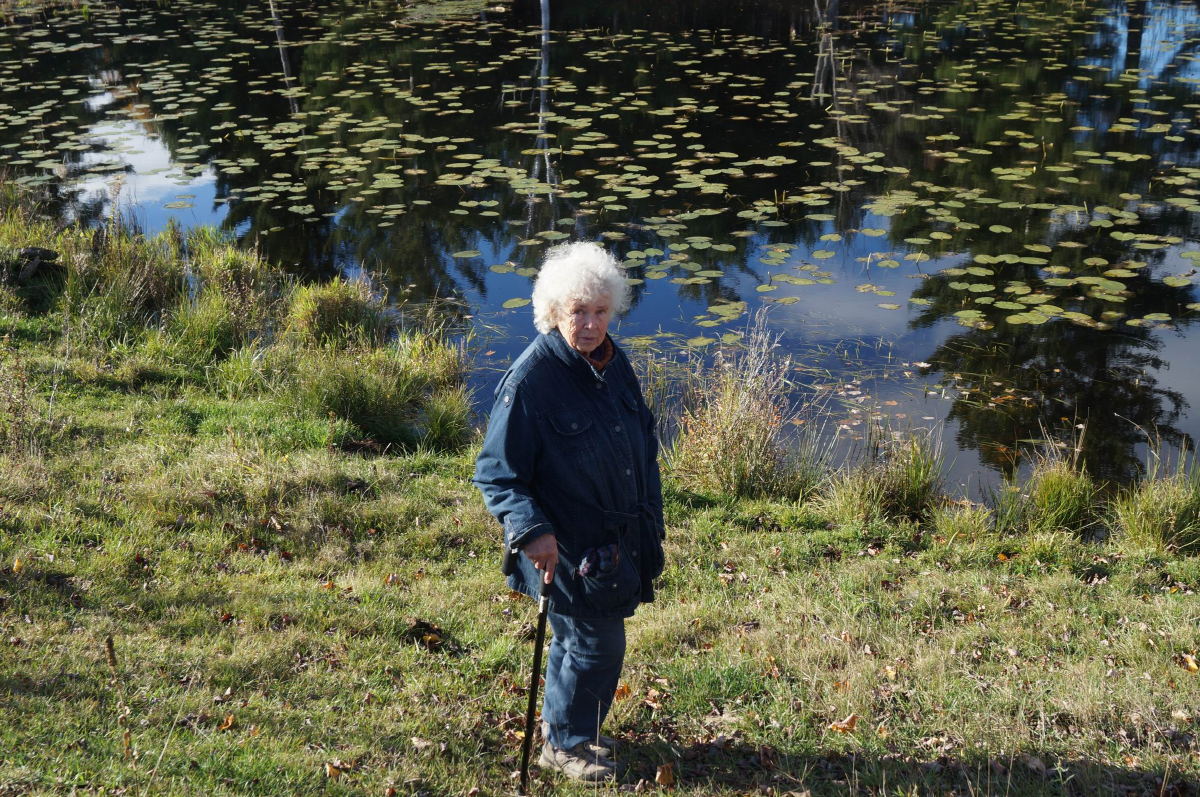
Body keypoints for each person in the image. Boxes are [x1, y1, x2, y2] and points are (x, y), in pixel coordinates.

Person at [474, 241, 665, 782]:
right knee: (595, 642)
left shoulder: (612, 362)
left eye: (600, 311)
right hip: (567, 547)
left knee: (581, 641)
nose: (590, 324)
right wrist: (530, 531)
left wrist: (650, 518)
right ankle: (566, 744)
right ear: (554, 313)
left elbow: (642, 443)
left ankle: (566, 730)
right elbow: (496, 472)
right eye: (578, 311)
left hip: (619, 540)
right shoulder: (531, 381)